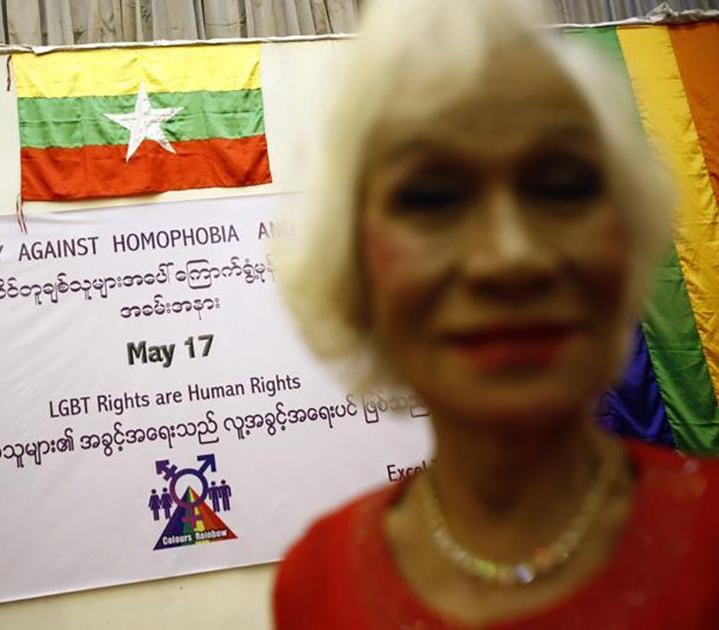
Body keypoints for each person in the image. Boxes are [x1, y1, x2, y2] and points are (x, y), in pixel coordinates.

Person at [272, 0, 719, 627]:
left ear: (628, 238)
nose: (509, 258)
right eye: (430, 197)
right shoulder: (318, 582)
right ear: (354, 267)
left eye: (562, 187)